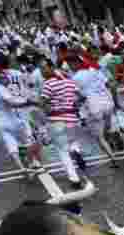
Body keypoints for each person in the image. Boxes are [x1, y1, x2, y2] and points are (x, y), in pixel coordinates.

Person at [0, 52, 44, 178]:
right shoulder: (17, 73)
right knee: (28, 137)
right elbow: (30, 85)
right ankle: (34, 162)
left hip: (5, 111)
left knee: (14, 140)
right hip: (21, 108)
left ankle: (25, 163)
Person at [40, 58, 84, 187]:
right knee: (72, 141)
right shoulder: (69, 81)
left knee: (62, 151)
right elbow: (81, 96)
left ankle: (74, 179)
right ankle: (76, 150)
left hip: (57, 120)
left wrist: (42, 107)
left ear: (51, 67)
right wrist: (74, 105)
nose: (42, 71)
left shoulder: (48, 84)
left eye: (43, 68)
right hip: (72, 119)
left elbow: (43, 103)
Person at [71, 52, 120, 167]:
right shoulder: (94, 70)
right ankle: (113, 136)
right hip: (107, 103)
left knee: (100, 137)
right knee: (106, 128)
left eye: (71, 64)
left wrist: (75, 104)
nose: (70, 66)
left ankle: (113, 159)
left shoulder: (76, 77)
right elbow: (108, 84)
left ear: (76, 63)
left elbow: (81, 96)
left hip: (94, 107)